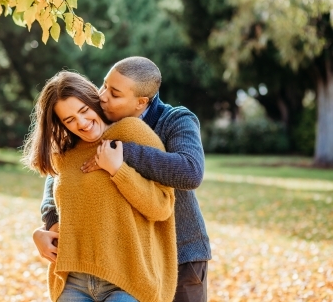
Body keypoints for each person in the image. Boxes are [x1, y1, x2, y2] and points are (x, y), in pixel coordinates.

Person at [33, 57, 211, 302]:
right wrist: (49, 222)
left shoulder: (173, 121)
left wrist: (121, 151)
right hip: (122, 257)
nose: (103, 96)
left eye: (114, 93)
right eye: (104, 85)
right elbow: (61, 176)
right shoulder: (101, 116)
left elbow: (190, 172)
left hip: (182, 249)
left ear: (140, 102)